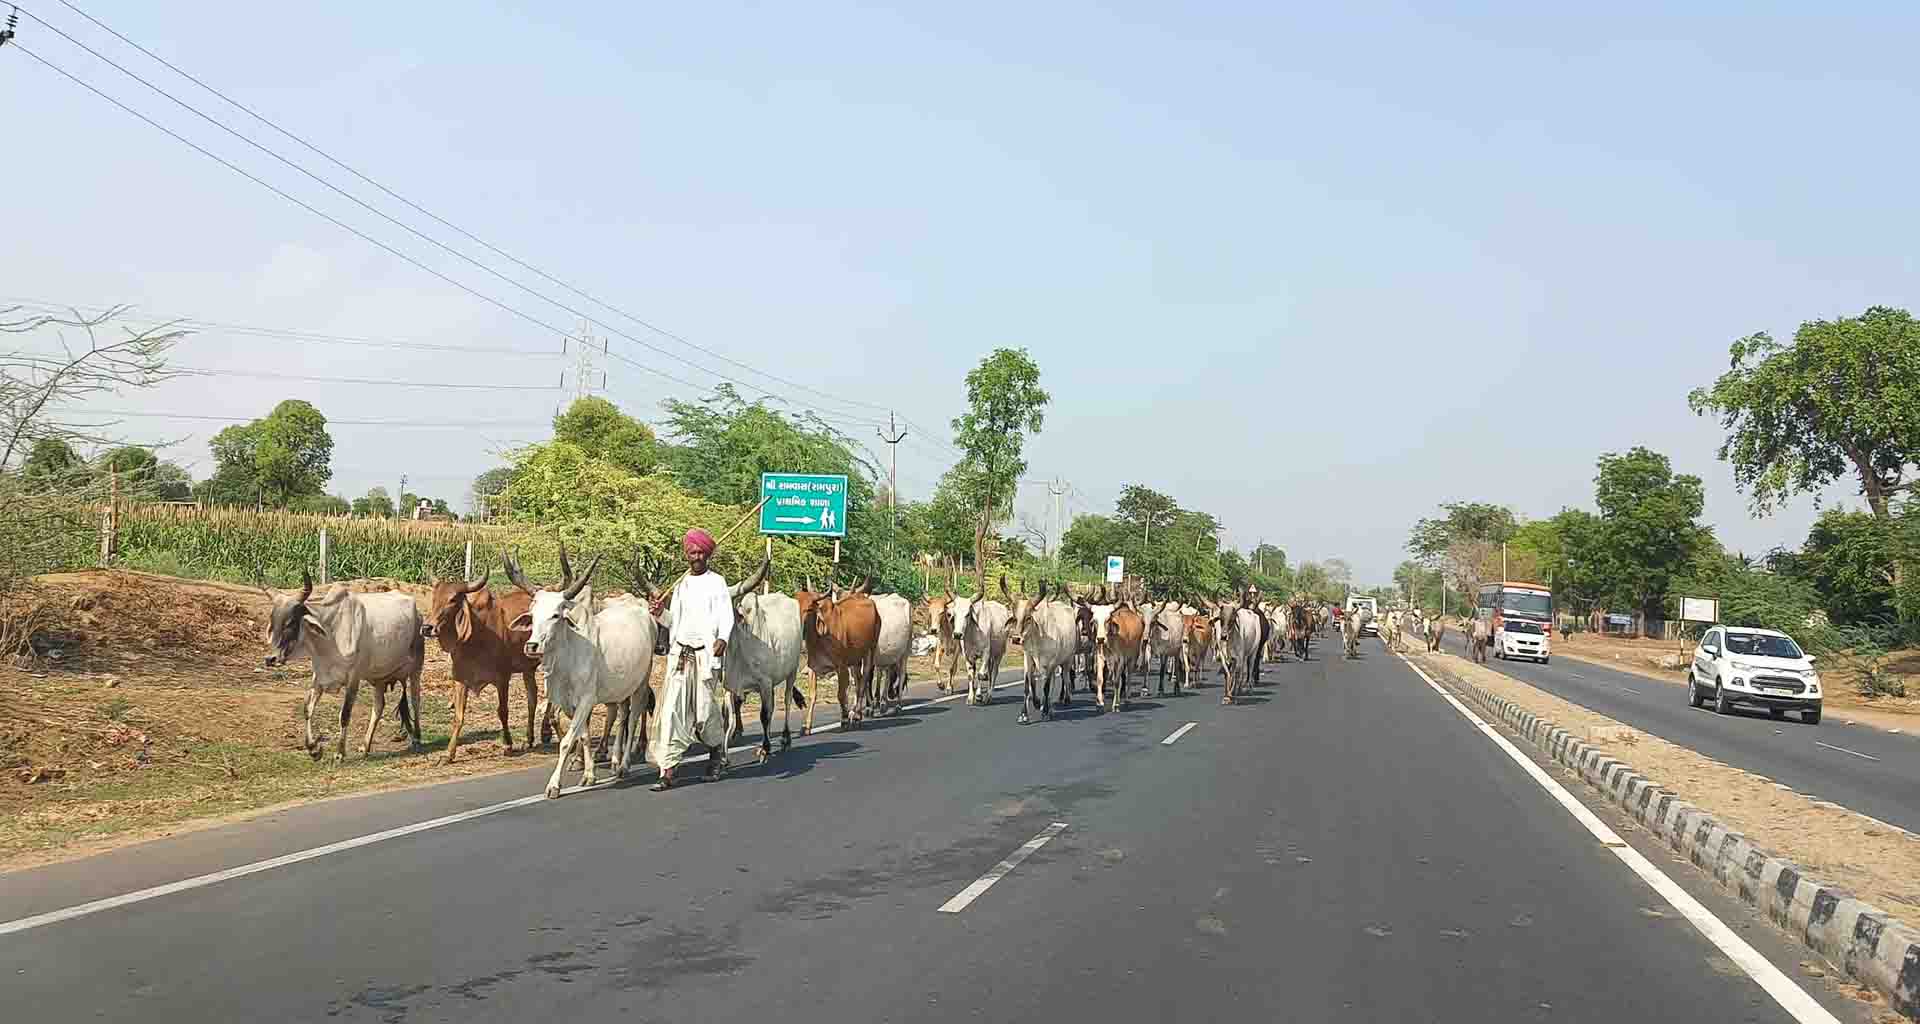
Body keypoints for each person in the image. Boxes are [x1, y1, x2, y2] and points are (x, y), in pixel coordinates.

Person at [650, 528, 733, 792]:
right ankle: (668, 769)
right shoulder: (682, 584)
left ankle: (716, 753)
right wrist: (660, 613)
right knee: (671, 711)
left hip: (706, 656)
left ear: (707, 555)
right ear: (687, 555)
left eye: (700, 552)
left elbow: (726, 616)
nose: (696, 556)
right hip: (681, 656)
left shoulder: (717, 582)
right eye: (692, 552)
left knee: (704, 712)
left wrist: (723, 638)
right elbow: (674, 621)